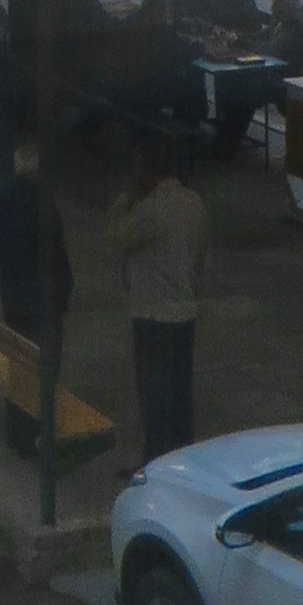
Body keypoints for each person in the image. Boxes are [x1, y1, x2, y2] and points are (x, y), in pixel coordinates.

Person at [108, 132, 205, 461]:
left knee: (154, 395)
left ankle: (157, 459)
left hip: (153, 314)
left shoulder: (152, 210)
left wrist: (124, 201)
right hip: (184, 310)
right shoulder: (193, 203)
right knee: (179, 392)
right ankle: (183, 456)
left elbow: (117, 237)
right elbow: (200, 255)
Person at [0, 143, 72, 456]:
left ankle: (18, 432)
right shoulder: (45, 205)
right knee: (46, 369)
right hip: (45, 300)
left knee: (20, 366)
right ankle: (42, 434)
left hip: (13, 296)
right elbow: (56, 251)